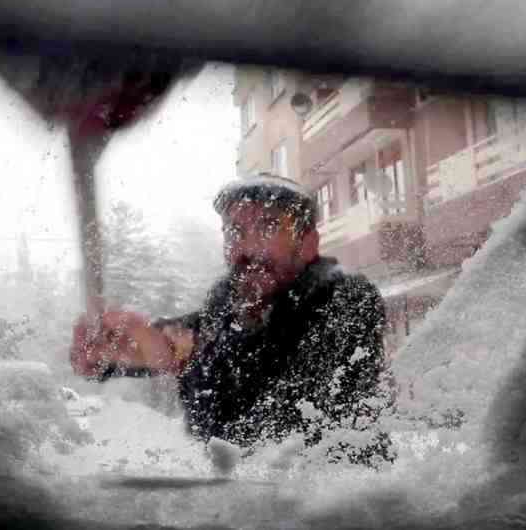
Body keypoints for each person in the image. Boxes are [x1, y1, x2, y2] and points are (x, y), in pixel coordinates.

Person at [70, 174, 394, 465]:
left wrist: (187, 356)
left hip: (342, 502)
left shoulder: (346, 297)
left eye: (268, 228)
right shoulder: (227, 301)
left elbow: (275, 422)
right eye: (235, 231)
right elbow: (187, 337)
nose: (247, 248)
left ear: (308, 243)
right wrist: (114, 353)